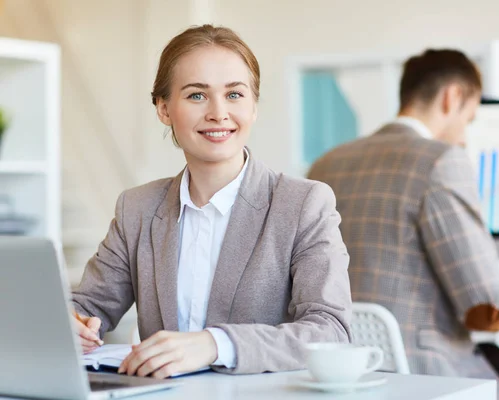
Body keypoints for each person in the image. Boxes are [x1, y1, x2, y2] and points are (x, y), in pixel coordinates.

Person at [71, 24, 352, 378]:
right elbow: (87, 306)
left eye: (234, 95)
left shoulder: (303, 204)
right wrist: (68, 323)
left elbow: (331, 330)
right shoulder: (137, 208)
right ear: (163, 108)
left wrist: (215, 344)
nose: (218, 113)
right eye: (196, 95)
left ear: (253, 107)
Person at [308, 49, 499, 400]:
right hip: (428, 379)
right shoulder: (441, 161)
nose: (464, 137)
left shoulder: (326, 165)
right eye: (469, 119)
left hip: (350, 378)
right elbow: (486, 312)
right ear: (452, 97)